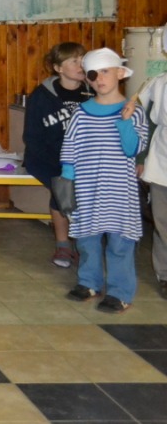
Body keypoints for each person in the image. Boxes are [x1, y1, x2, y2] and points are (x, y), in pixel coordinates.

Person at [61, 48, 148, 313]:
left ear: (120, 73)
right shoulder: (80, 113)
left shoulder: (133, 112)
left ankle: (120, 292)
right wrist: (68, 184)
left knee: (120, 242)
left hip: (119, 191)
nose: (99, 79)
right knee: (87, 238)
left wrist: (125, 122)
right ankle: (89, 282)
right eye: (93, 74)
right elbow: (70, 150)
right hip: (86, 189)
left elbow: (132, 149)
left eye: (106, 71)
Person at [23, 42, 92, 268]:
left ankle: (84, 245)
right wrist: (61, 165)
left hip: (84, 159)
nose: (80, 65)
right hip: (46, 158)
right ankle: (63, 245)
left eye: (82, 60)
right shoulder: (41, 96)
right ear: (58, 68)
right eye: (74, 61)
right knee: (62, 186)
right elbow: (32, 137)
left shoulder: (92, 92)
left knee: (86, 190)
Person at [133, 27, 167, 300]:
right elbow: (144, 124)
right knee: (163, 224)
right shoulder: (158, 84)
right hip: (162, 164)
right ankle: (165, 275)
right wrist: (141, 159)